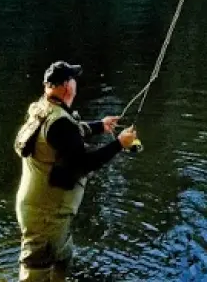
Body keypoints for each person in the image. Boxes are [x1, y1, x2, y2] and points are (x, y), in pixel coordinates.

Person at [13, 60, 139, 281]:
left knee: (63, 256)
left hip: (41, 208)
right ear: (66, 86)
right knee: (36, 270)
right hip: (46, 215)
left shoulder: (44, 108)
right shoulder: (59, 123)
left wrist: (101, 125)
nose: (75, 83)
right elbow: (83, 164)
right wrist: (120, 143)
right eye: (73, 79)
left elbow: (69, 134)